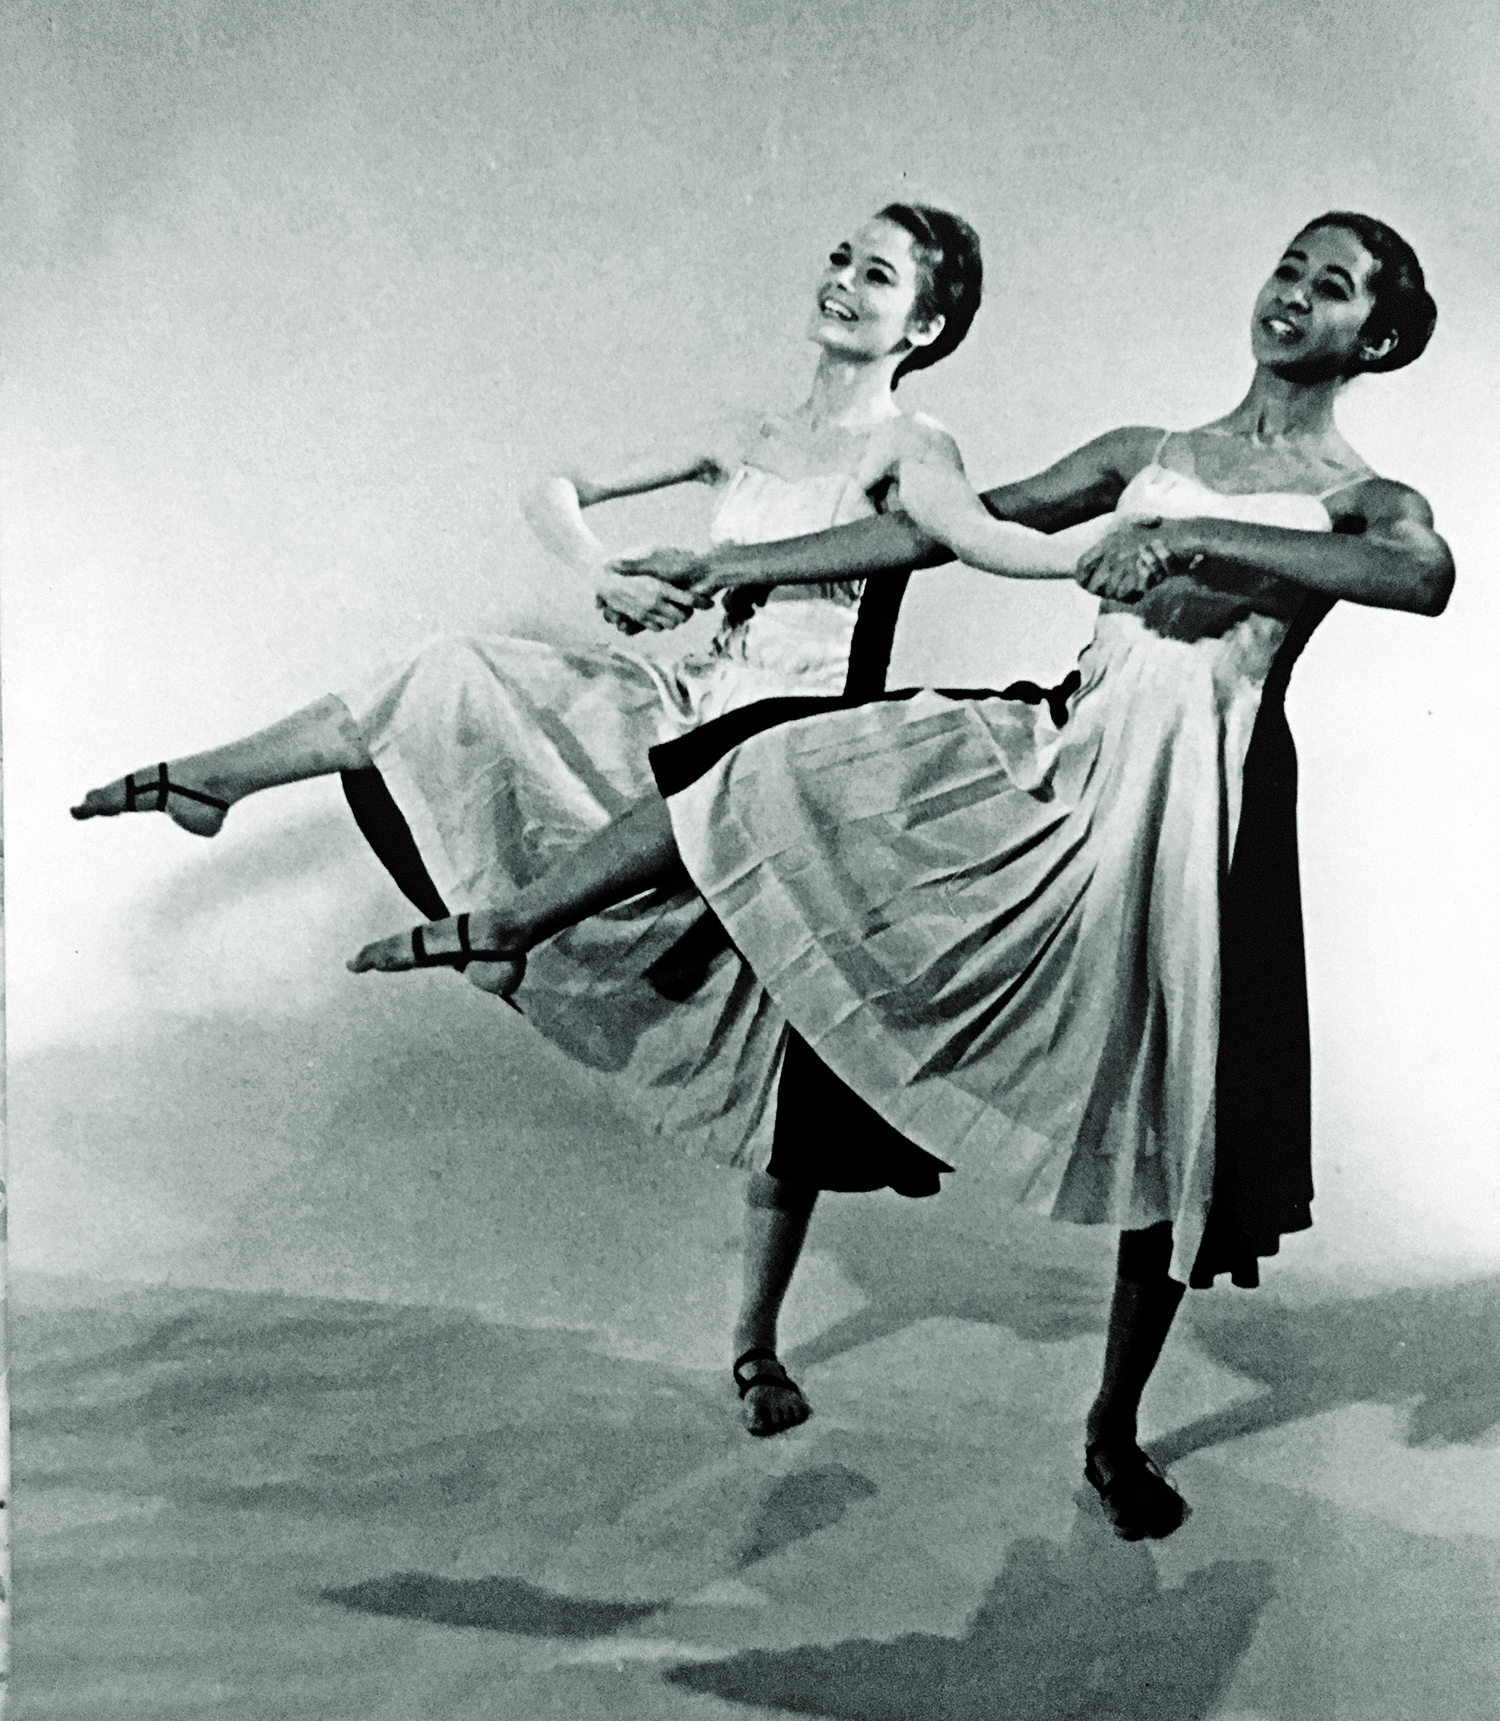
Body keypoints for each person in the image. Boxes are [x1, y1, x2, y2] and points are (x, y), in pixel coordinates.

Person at [349, 213, 1452, 1532]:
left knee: (1170, 1121)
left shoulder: (1361, 495)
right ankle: (515, 920)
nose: (1291, 295)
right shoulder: (1144, 456)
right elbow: (944, 529)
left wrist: (1205, 548)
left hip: (1187, 816)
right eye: (1287, 267)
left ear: (1374, 336)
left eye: (1330, 289)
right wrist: (738, 561)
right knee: (758, 760)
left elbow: (1418, 574)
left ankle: (1112, 1428)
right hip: (1068, 757)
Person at [71, 201, 989, 1170]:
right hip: (683, 707)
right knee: (448, 671)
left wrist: (730, 570)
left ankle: (752, 1328)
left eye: (878, 276)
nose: (842, 281)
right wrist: (601, 570)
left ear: (924, 327)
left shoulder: (913, 446)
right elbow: (552, 484)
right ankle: (217, 779)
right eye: (841, 258)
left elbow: (931, 536)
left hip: (776, 755)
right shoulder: (746, 431)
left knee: (785, 1068)